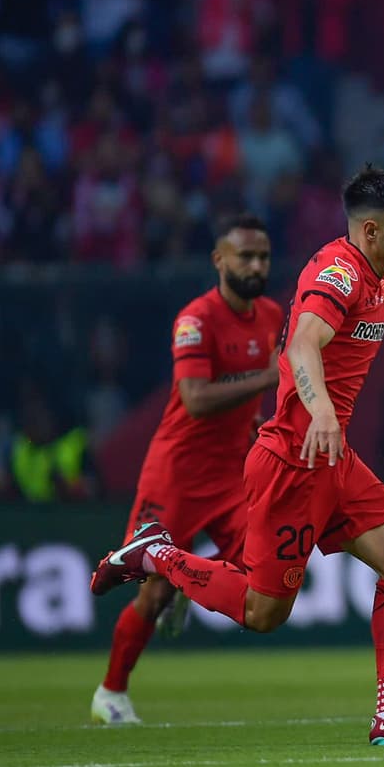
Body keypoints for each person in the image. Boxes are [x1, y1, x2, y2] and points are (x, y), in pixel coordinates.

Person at [90, 165, 384, 745]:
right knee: (263, 613)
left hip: (335, 459)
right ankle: (157, 555)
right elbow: (303, 342)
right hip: (293, 460)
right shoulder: (338, 274)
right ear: (372, 231)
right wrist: (319, 408)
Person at [91, 215, 282, 725]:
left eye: (263, 256)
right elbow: (195, 400)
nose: (257, 265)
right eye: (246, 256)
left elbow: (249, 397)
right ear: (219, 260)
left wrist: (257, 421)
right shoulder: (195, 319)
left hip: (231, 472)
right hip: (175, 471)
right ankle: (111, 693)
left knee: (262, 571)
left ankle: (183, 578)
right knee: (150, 594)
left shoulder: (270, 315)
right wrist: (269, 376)